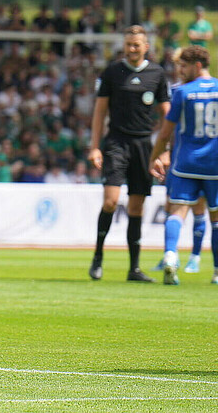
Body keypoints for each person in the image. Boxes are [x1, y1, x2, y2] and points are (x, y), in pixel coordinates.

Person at [87, 26, 170, 282]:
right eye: (128, 44)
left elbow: (168, 115)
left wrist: (164, 151)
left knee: (136, 206)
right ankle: (98, 257)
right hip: (117, 142)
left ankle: (134, 268)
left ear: (146, 47)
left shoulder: (157, 74)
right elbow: (100, 111)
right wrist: (94, 145)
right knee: (110, 201)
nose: (132, 48)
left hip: (144, 145)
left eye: (136, 44)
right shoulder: (113, 72)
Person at [149, 45, 218, 285]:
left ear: (197, 65)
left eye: (184, 66)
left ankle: (170, 257)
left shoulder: (183, 92)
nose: (180, 70)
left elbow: (165, 132)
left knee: (177, 211)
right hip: (215, 166)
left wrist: (154, 157)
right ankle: (217, 272)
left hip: (186, 162)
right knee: (216, 218)